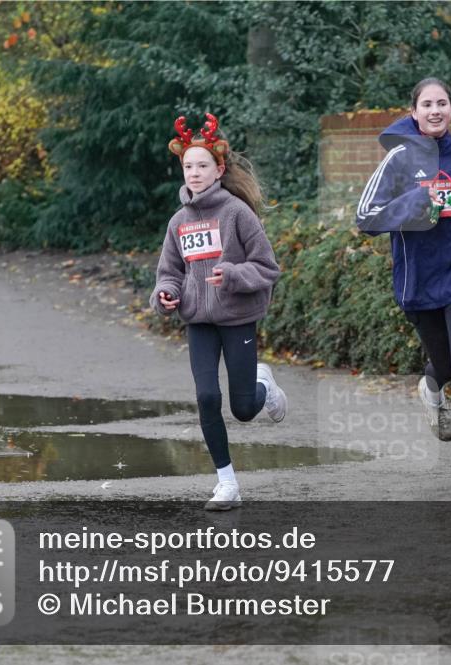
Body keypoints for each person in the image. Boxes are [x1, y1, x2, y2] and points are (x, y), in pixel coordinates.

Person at [355, 78, 451, 494]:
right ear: (414, 112)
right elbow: (366, 217)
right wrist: (417, 201)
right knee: (448, 362)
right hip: (418, 279)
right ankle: (432, 385)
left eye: (443, 103)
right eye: (427, 104)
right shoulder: (399, 158)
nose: (435, 110)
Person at [151, 113, 286, 510]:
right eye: (188, 166)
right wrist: (165, 295)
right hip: (199, 321)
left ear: (219, 169)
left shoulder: (237, 213)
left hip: (238, 317)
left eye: (202, 166)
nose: (194, 173)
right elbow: (168, 273)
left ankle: (265, 387)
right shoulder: (178, 222)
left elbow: (267, 268)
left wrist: (233, 274)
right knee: (207, 397)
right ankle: (227, 483)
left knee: (243, 409)